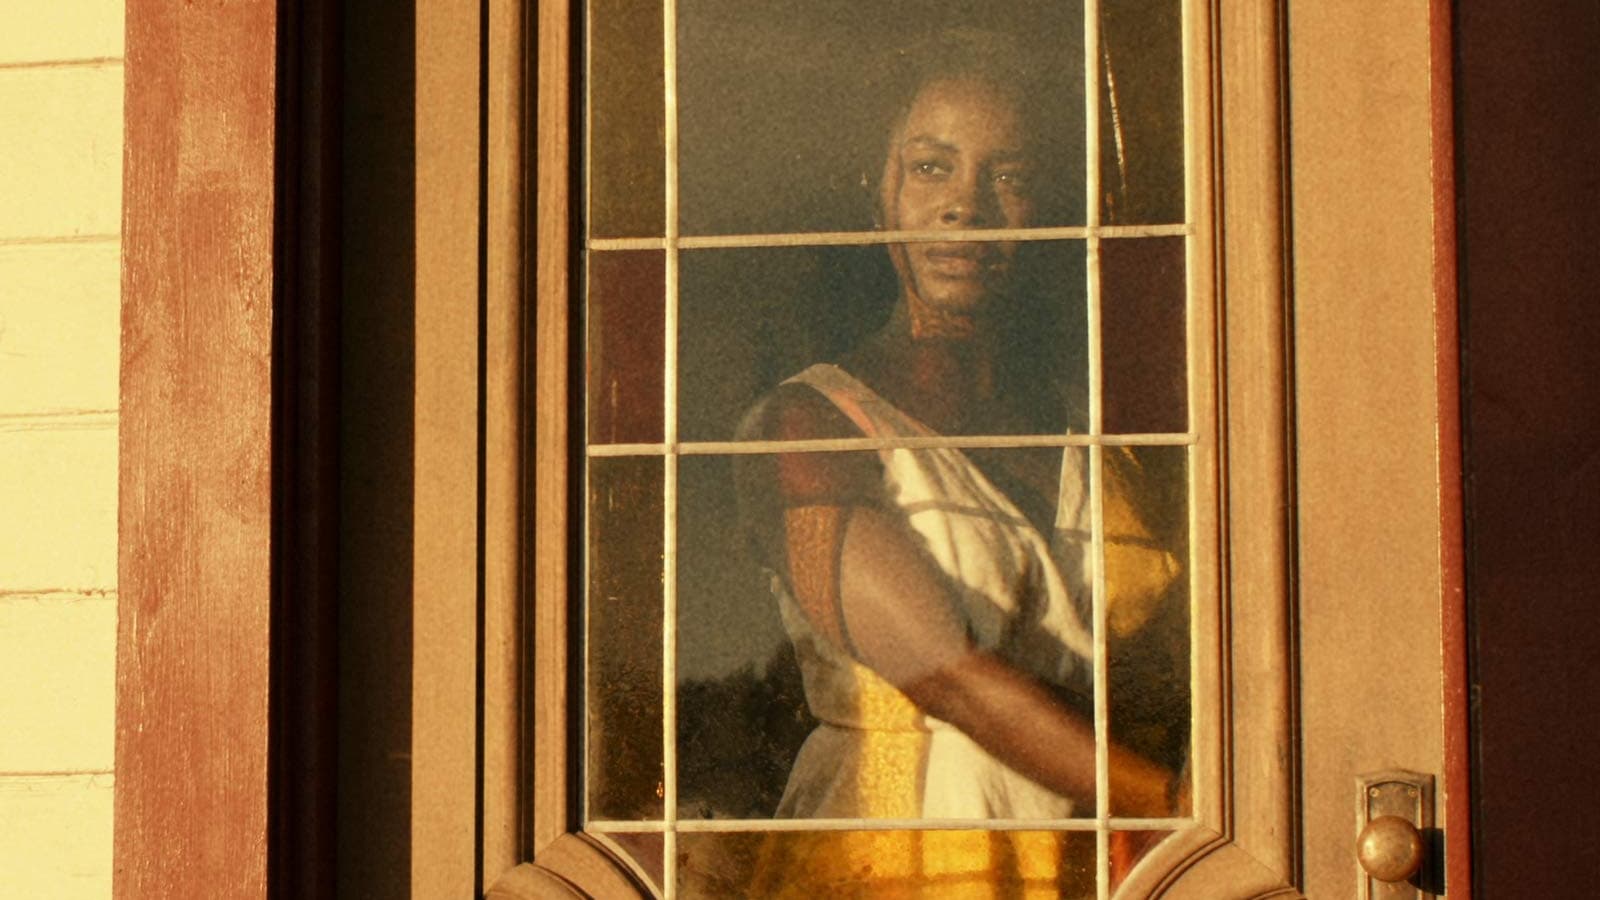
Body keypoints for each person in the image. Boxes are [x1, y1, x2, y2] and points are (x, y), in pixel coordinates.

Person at [733, 26, 1184, 847]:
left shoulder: (1094, 435)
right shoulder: (807, 423)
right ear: (878, 192)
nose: (965, 206)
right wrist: (1185, 804)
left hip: (1101, 858)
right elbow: (950, 677)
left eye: (1008, 177)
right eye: (932, 168)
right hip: (905, 854)